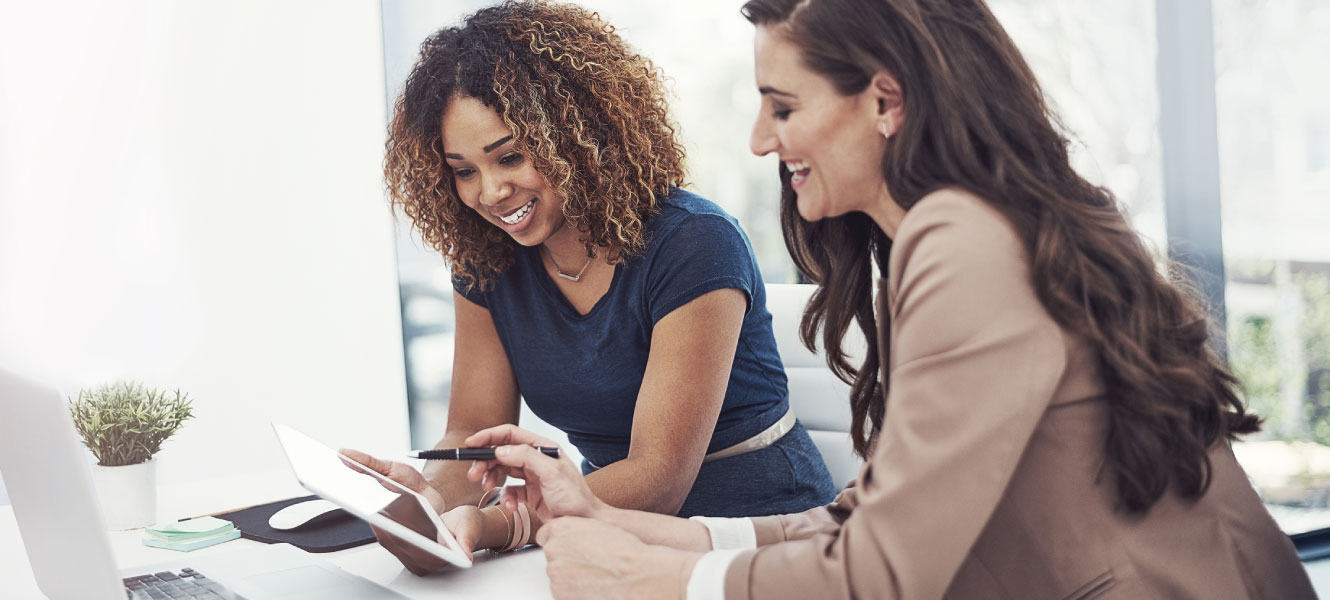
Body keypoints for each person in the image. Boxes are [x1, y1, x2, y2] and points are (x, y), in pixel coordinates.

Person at [420, 0, 1316, 597]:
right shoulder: (951, 234)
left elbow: (885, 572)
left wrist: (649, 579)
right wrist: (643, 536)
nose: (760, 138)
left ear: (884, 101)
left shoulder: (960, 244)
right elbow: (867, 516)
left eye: (783, 105)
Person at [349, 0, 837, 576]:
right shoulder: (486, 260)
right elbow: (467, 434)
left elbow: (659, 479)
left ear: (579, 137)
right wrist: (432, 506)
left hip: (755, 538)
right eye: (463, 170)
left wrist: (497, 526)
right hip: (595, 528)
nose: (491, 191)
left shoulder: (694, 243)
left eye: (510, 156)